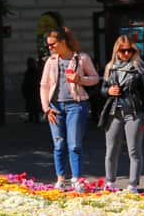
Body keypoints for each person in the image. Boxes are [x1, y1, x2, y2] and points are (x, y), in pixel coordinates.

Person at [39, 27, 100, 191]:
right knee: (59, 144)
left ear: (63, 42)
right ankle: (60, 178)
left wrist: (80, 79)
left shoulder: (82, 58)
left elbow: (95, 78)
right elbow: (44, 85)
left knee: (74, 145)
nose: (50, 48)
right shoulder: (51, 61)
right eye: (48, 45)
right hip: (55, 107)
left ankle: (77, 179)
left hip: (76, 104)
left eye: (52, 44)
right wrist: (46, 108)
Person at [99, 36, 144, 193]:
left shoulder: (140, 68)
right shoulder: (110, 67)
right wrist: (108, 91)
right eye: (123, 50)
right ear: (117, 50)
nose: (126, 53)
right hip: (114, 112)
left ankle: (133, 185)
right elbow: (102, 90)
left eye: (130, 50)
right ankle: (110, 182)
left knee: (134, 150)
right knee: (111, 150)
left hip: (134, 113)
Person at [21, 56, 43, 123]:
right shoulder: (30, 72)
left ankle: (35, 118)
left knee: (34, 105)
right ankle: (33, 118)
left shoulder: (34, 72)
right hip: (31, 91)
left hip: (33, 91)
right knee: (32, 105)